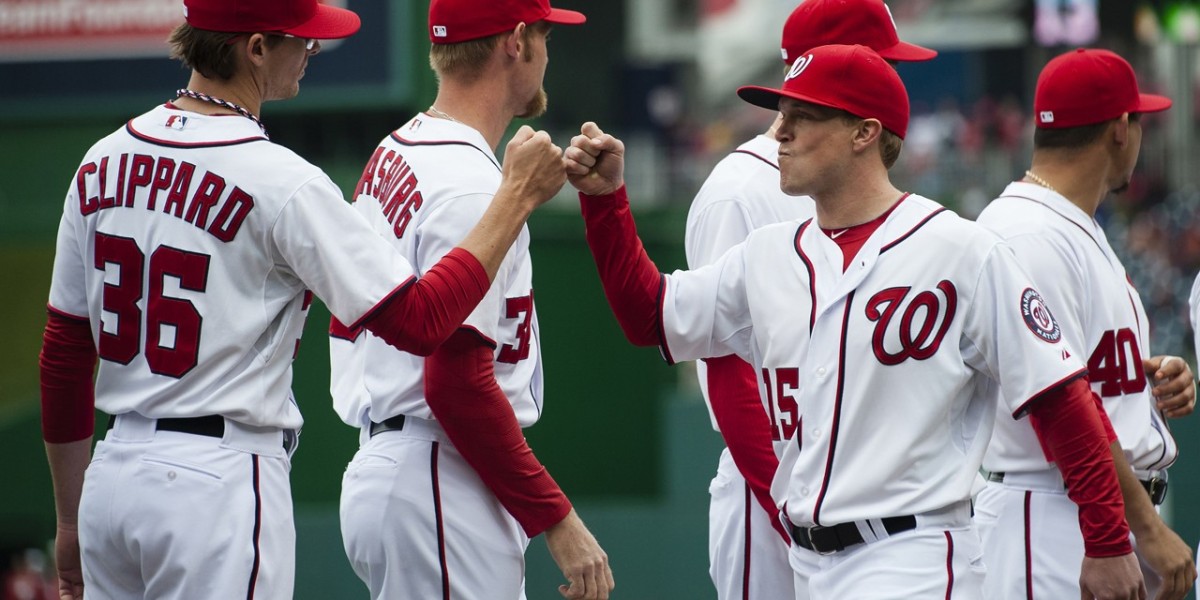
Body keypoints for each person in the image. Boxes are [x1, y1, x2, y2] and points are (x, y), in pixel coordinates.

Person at [563, 43, 1146, 599]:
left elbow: (1060, 398)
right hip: (805, 560)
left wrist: (1108, 537)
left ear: (866, 133)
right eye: (781, 114)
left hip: (913, 553)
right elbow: (650, 317)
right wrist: (606, 204)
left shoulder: (960, 249)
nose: (780, 132)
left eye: (804, 116)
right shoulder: (768, 253)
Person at [38, 0, 567, 597]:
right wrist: (513, 199)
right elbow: (420, 322)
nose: (312, 51)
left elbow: (63, 357)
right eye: (302, 40)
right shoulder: (281, 180)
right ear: (257, 48)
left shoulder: (100, 161)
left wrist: (67, 516)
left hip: (112, 477)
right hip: (215, 484)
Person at [328, 1, 613, 599]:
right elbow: (454, 384)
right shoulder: (472, 184)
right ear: (515, 41)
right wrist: (558, 520)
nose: (546, 50)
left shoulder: (397, 150)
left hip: (397, 465)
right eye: (542, 33)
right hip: (439, 474)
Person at [683, 2, 936, 597]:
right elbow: (727, 373)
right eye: (881, 62)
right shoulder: (739, 190)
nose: (892, 79)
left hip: (861, 492)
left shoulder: (849, 174)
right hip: (771, 492)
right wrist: (793, 517)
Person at [975, 47, 1197, 600]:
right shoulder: (1027, 233)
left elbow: (1073, 368)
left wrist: (1140, 379)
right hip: (1056, 518)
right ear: (1121, 128)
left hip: (1090, 513)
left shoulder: (1067, 222)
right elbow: (1063, 400)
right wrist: (1143, 530)